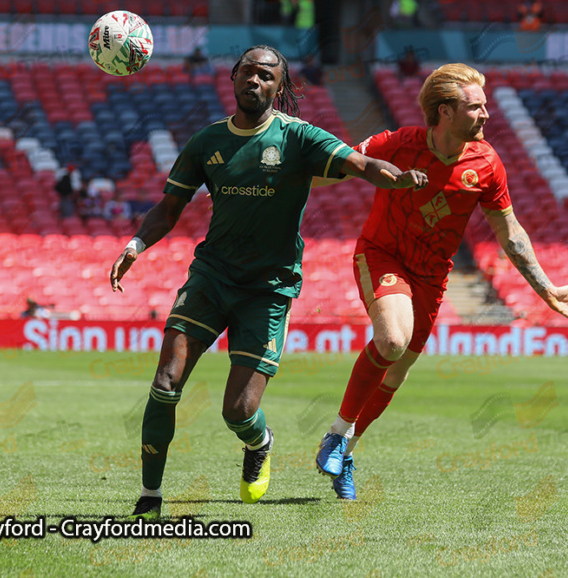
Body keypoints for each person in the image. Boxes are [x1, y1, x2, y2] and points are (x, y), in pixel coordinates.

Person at [109, 46, 428, 520]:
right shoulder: (206, 142)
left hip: (269, 289)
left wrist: (396, 178)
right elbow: (168, 210)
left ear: (280, 88)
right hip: (211, 277)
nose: (254, 81)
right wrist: (136, 244)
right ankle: (150, 497)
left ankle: (259, 442)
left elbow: (359, 164)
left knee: (237, 410)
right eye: (247, 73)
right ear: (234, 77)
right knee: (165, 382)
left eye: (266, 75)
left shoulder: (299, 138)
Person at [313, 64, 568, 499]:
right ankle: (337, 433)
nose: (486, 115)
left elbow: (510, 232)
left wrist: (546, 288)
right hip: (383, 255)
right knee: (391, 342)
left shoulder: (487, 162)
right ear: (444, 111)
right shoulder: (396, 143)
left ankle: (346, 449)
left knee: (396, 374)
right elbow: (333, 168)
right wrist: (266, 180)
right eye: (475, 107)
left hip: (432, 274)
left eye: (485, 106)